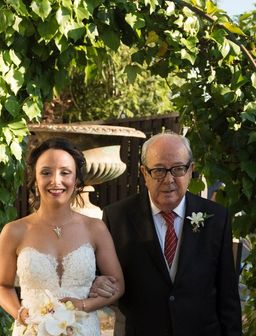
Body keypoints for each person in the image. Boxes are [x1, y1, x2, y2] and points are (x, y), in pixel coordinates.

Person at [98, 132, 242, 336]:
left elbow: (228, 295)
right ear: (144, 173)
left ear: (191, 170)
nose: (169, 179)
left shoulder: (217, 218)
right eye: (158, 170)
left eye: (178, 169)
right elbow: (104, 280)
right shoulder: (117, 218)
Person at [0, 138, 124, 335]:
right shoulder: (14, 231)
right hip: (33, 330)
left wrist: (83, 304)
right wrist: (22, 315)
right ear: (35, 178)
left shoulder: (95, 228)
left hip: (84, 330)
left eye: (65, 172)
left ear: (76, 179)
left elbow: (118, 285)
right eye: (46, 172)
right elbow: (3, 286)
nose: (56, 181)